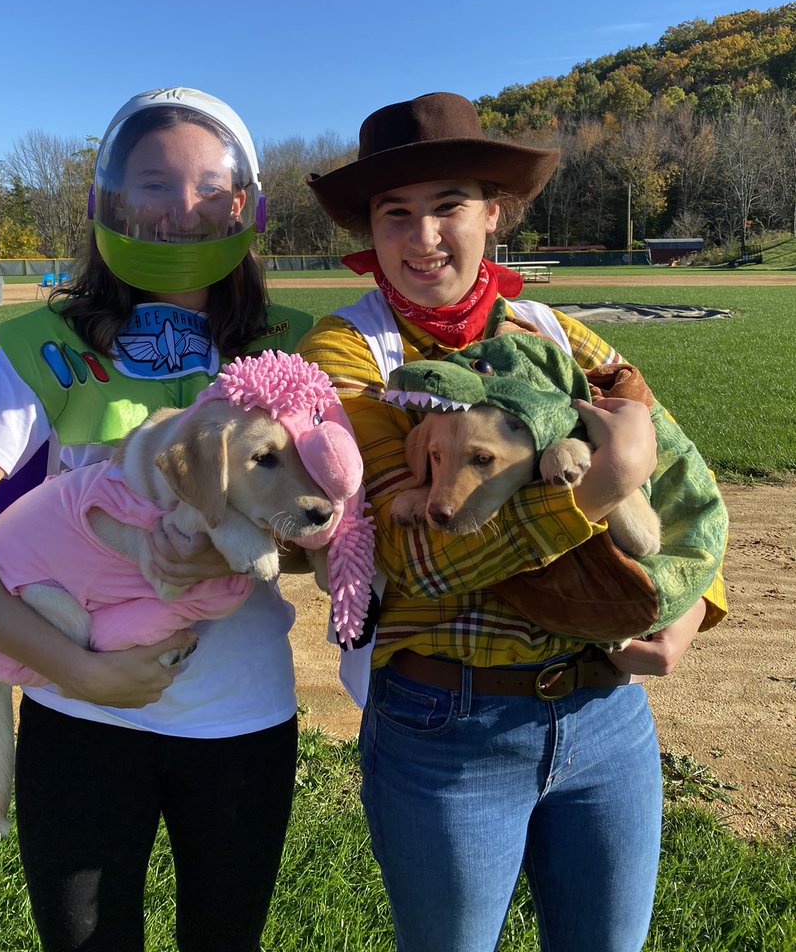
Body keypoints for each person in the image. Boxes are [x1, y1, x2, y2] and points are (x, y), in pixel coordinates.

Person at [298, 91, 728, 952]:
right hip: (447, 726)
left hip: (607, 717)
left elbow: (677, 465)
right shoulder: (347, 355)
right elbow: (415, 554)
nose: (424, 238)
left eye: (449, 206)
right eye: (396, 215)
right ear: (370, 233)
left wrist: (692, 604)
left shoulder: (556, 331)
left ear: (494, 215)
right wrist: (601, 486)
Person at [0, 87, 314, 952]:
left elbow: (333, 528)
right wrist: (74, 672)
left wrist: (239, 552)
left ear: (244, 206)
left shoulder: (290, 353)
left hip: (241, 722)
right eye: (154, 184)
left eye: (206, 187)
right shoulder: (52, 347)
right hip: (78, 717)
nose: (179, 211)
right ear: (112, 203)